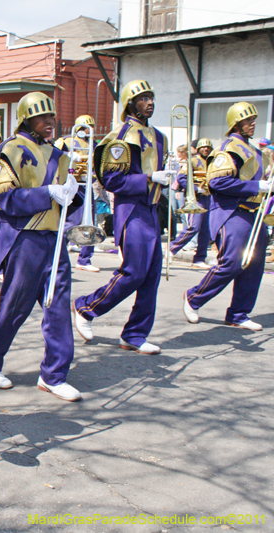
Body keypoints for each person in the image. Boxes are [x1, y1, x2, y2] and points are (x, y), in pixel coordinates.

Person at [0, 92, 82, 401]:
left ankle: (54, 374)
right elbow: (2, 197)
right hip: (23, 237)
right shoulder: (8, 150)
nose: (49, 122)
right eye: (41, 117)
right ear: (26, 119)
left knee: (58, 308)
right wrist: (48, 193)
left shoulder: (59, 155)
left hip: (53, 238)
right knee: (14, 308)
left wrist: (73, 194)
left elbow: (64, 201)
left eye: (51, 116)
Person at [72, 80, 174, 355]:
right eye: (143, 98)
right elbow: (112, 180)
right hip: (132, 210)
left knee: (151, 276)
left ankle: (135, 334)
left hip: (152, 209)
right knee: (133, 272)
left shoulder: (159, 136)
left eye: (151, 97)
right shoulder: (122, 135)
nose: (149, 102)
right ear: (130, 103)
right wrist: (149, 178)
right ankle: (86, 306)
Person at [183, 102, 271, 331]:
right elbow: (217, 182)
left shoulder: (255, 151)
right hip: (232, 211)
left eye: (253, 120)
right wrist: (256, 186)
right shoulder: (229, 148)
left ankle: (239, 313)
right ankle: (194, 297)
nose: (252, 124)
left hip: (254, 213)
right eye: (247, 120)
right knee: (231, 262)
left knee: (254, 266)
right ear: (236, 123)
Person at [55, 115, 101, 273]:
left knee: (90, 224)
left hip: (87, 183)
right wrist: (68, 157)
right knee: (72, 221)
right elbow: (54, 157)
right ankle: (59, 253)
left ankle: (85, 259)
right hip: (72, 183)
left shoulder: (94, 144)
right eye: (88, 128)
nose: (90, 131)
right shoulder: (66, 141)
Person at [168, 138, 213, 268]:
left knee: (206, 230)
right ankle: (172, 248)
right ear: (198, 149)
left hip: (208, 197)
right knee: (194, 227)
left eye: (208, 148)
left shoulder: (212, 162)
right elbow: (181, 178)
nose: (206, 150)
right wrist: (195, 189)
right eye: (203, 148)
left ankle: (199, 258)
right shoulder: (192, 161)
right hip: (195, 198)